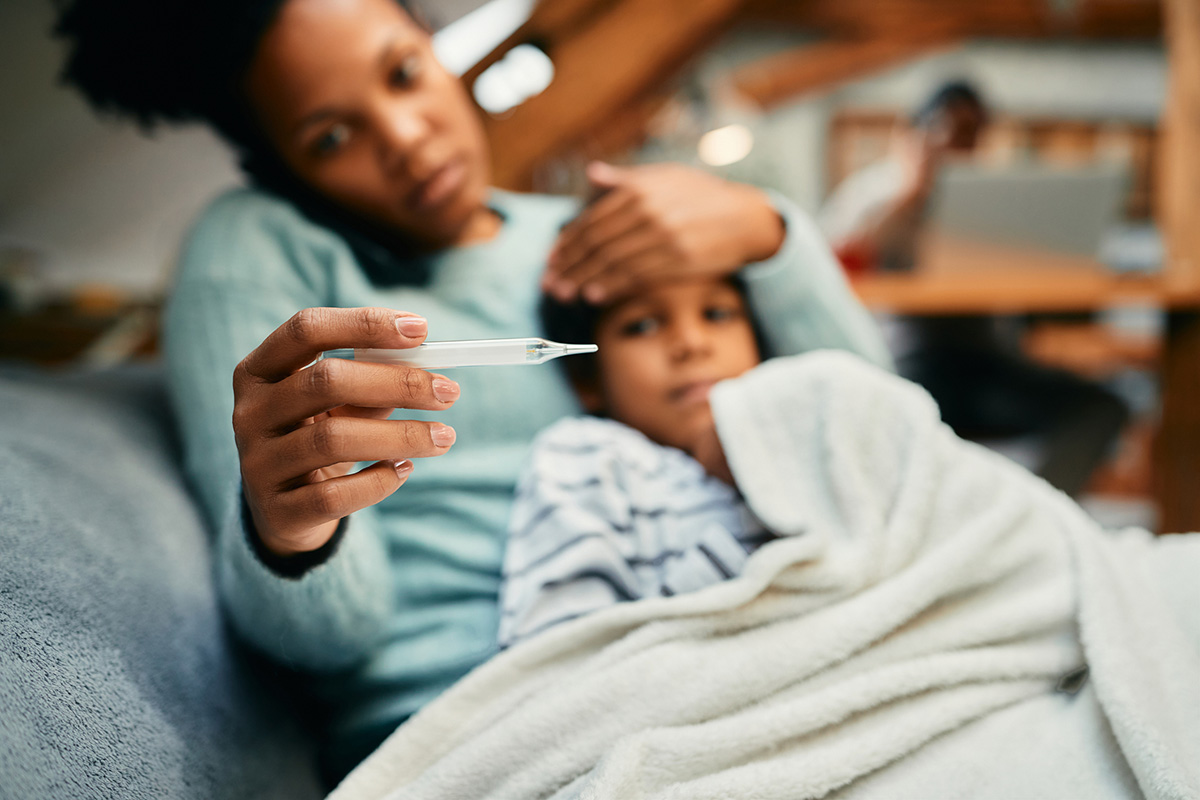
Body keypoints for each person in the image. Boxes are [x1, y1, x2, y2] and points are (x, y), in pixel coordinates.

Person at [55, 0, 889, 781]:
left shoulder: (589, 236)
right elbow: (330, 637)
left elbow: (881, 453)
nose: (410, 141)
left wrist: (771, 234)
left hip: (700, 678)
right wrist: (288, 529)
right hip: (477, 740)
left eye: (405, 73)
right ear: (279, 169)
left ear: (438, 47)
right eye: (333, 136)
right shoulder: (262, 254)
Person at [820, 81, 1127, 496]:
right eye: (951, 132)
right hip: (908, 362)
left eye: (975, 134)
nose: (963, 146)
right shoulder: (873, 196)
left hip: (988, 359)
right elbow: (835, 265)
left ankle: (1036, 508)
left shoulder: (997, 196)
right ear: (912, 136)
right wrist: (913, 191)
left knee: (1099, 408)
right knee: (895, 422)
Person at [500, 275, 776, 647]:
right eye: (642, 326)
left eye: (717, 314)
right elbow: (554, 658)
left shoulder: (806, 432)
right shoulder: (587, 455)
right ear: (587, 381)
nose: (692, 344)